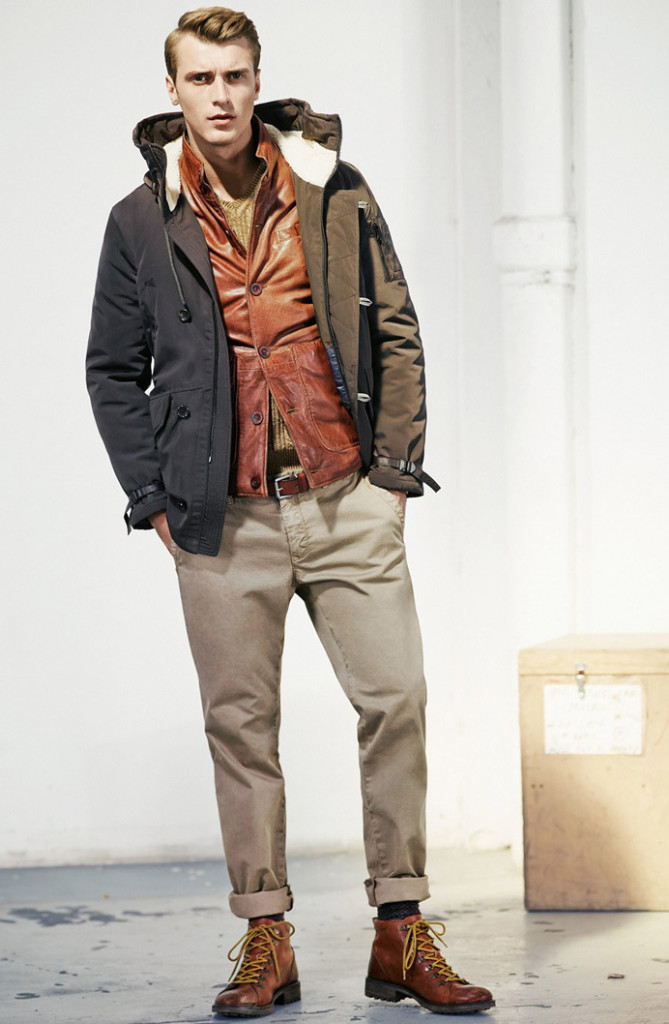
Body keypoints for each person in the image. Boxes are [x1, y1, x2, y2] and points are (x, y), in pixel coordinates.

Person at [86, 6, 495, 1018]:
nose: (220, 95)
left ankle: (399, 930)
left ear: (257, 80)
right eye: (200, 78)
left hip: (346, 493)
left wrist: (394, 474)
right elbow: (112, 369)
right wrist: (152, 497)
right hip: (219, 515)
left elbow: (395, 328)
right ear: (172, 91)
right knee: (241, 726)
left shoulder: (331, 187)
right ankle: (266, 935)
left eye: (234, 75)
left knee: (395, 699)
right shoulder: (139, 220)